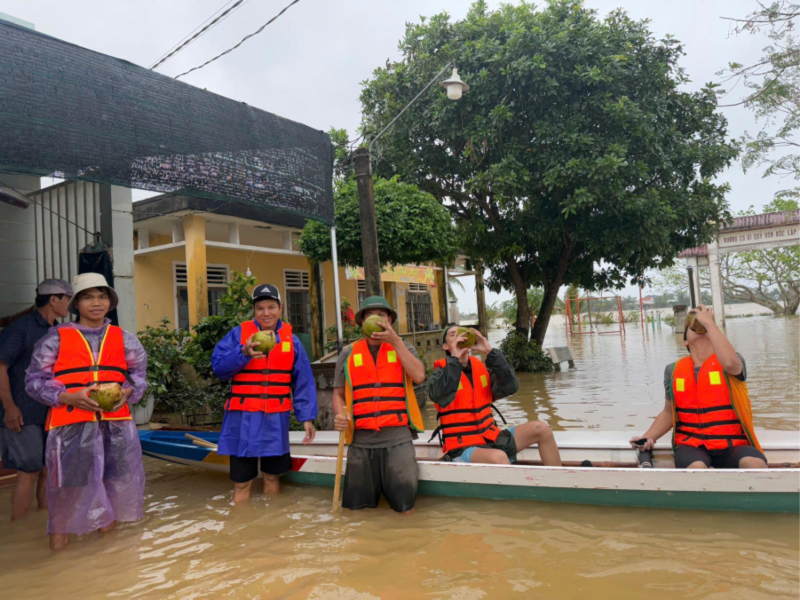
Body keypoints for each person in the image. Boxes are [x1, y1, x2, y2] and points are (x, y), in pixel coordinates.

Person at [25, 273, 148, 550]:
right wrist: (68, 395)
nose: (97, 302)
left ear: (110, 302)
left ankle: (107, 566)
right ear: (76, 303)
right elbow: (34, 381)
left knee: (112, 489)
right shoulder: (55, 339)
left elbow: (139, 376)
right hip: (70, 429)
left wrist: (127, 392)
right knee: (67, 495)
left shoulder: (125, 339)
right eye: (88, 297)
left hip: (116, 429)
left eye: (102, 296)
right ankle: (60, 562)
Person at [212, 283, 317, 503]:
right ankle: (243, 528)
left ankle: (272, 531)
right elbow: (219, 368)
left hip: (275, 419)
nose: (266, 313)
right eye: (260, 308)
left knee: (272, 477)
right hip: (242, 418)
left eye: (271, 307)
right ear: (254, 310)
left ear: (280, 308)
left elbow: (304, 381)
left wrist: (306, 417)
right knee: (241, 482)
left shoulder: (292, 341)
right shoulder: (238, 335)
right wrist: (243, 352)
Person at [630, 305, 766, 469]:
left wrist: (709, 323)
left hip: (733, 444)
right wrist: (646, 438)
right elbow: (669, 412)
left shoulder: (733, 362)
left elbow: (730, 362)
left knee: (755, 463)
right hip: (691, 446)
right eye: (692, 327)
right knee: (697, 468)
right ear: (685, 340)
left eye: (708, 327)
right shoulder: (673, 371)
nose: (701, 327)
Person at [332, 296, 426, 514]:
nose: (376, 319)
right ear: (363, 321)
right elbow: (337, 394)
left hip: (398, 440)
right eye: (370, 315)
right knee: (357, 513)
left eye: (381, 315)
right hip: (361, 442)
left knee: (405, 510)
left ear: (390, 320)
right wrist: (339, 415)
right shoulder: (348, 353)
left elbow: (419, 376)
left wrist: (396, 342)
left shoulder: (404, 348)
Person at [428, 325, 562, 466]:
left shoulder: (481, 369)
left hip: (491, 438)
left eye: (462, 332)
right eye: (452, 335)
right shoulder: (440, 373)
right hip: (462, 447)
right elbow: (439, 395)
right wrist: (455, 358)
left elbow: (511, 386)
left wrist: (489, 351)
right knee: (498, 457)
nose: (458, 336)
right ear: (445, 346)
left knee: (542, 429)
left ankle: (559, 484)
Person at [0, 279, 72, 521]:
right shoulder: (20, 329)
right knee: (28, 470)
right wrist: (9, 407)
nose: (70, 305)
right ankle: (18, 529)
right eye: (68, 298)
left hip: (52, 411)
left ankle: (41, 529)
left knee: (48, 469)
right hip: (22, 412)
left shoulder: (60, 331)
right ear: (54, 299)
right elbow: (0, 367)